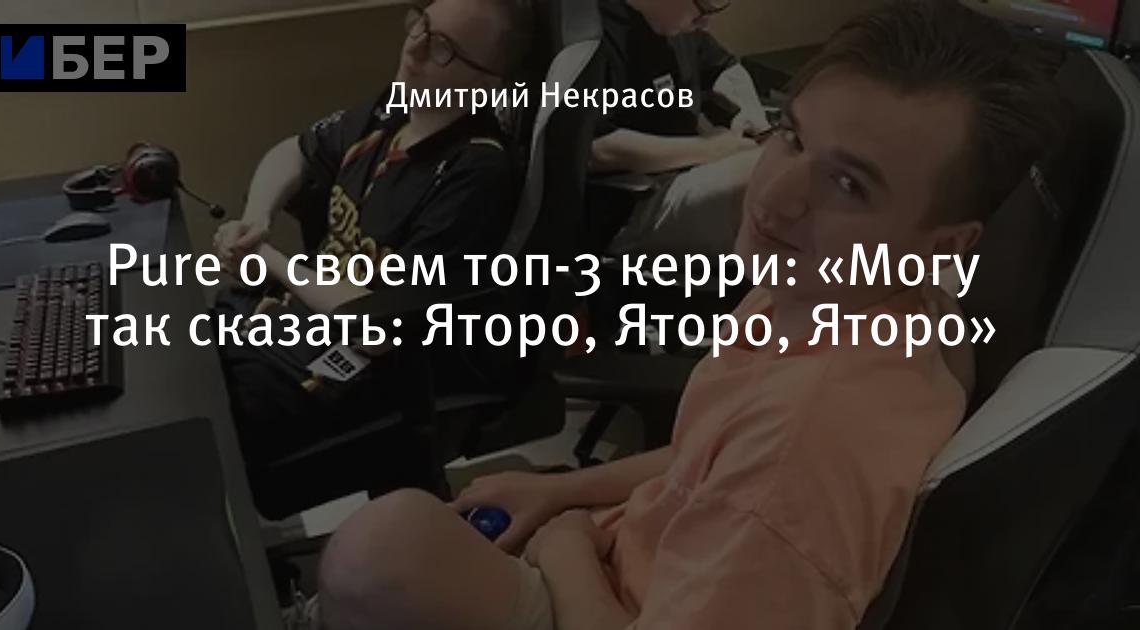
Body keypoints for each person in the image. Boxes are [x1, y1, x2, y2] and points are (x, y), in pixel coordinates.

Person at [312, 1, 1063, 629]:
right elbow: (710, 455)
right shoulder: (841, 291)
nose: (774, 198)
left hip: (622, 600)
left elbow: (764, 479)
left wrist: (567, 547)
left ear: (947, 243)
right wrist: (561, 492)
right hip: (641, 554)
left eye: (849, 185)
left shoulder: (808, 449)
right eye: (793, 137)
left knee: (378, 554)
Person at [211, 0, 531, 469]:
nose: (413, 47)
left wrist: (269, 258)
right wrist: (257, 217)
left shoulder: (476, 174)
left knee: (201, 423)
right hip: (291, 319)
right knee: (171, 366)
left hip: (366, 365)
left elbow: (378, 324)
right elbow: (294, 150)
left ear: (486, 85)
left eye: (442, 48)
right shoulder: (394, 108)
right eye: (421, 26)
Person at [591, 0, 770, 258]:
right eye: (703, 9)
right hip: (627, 206)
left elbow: (725, 68)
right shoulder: (590, 30)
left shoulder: (673, 25)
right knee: (766, 180)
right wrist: (711, 149)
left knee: (785, 165)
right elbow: (597, 149)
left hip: (686, 170)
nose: (704, 22)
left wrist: (756, 120)